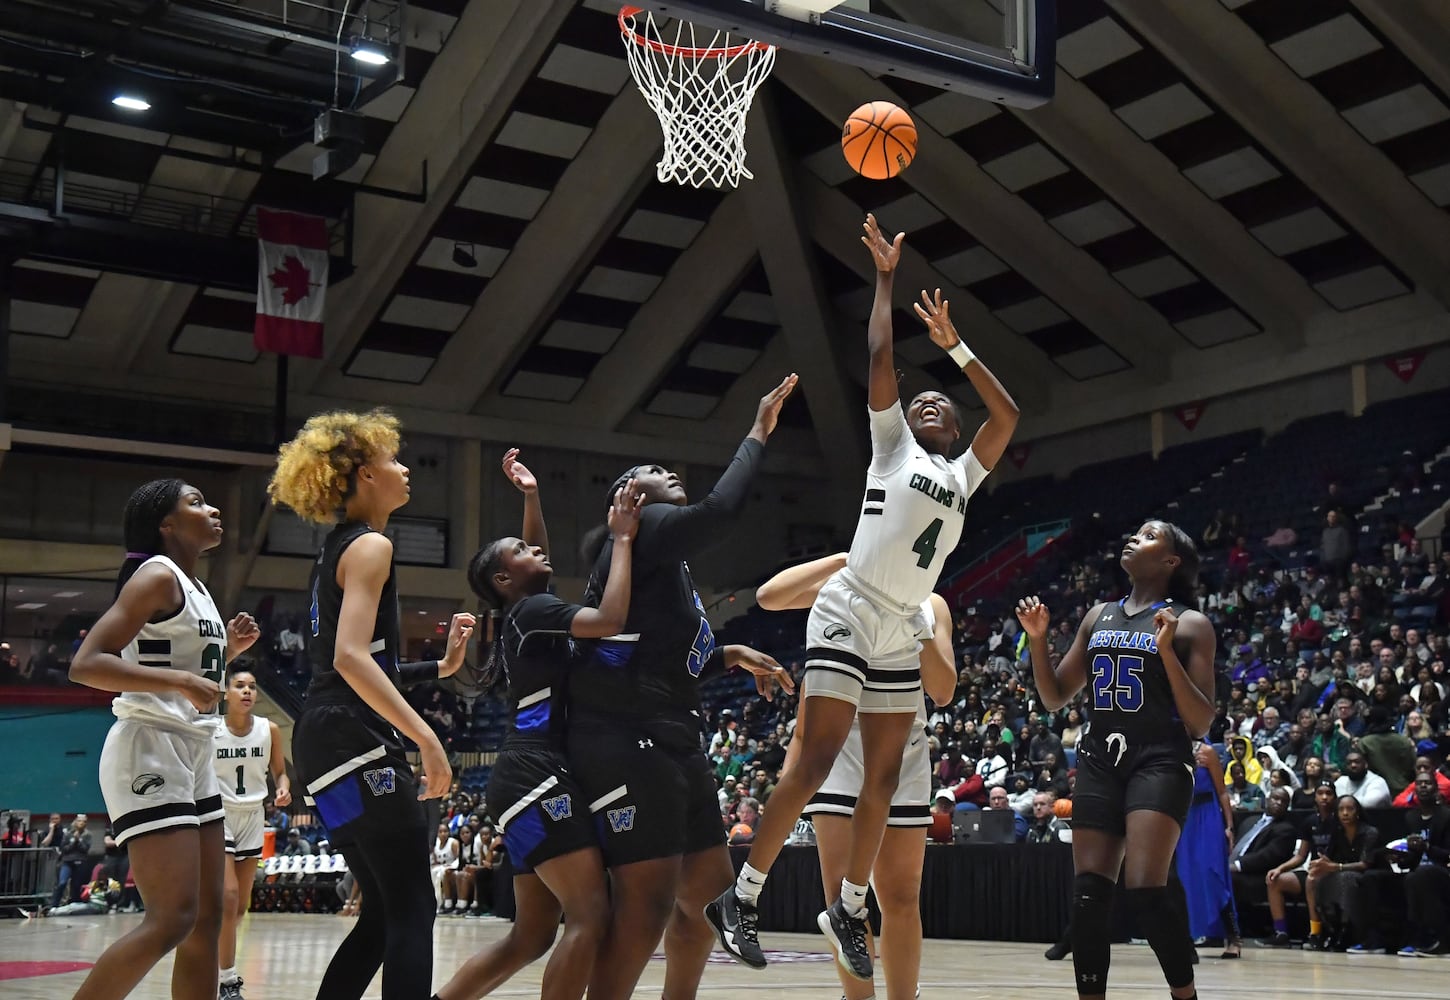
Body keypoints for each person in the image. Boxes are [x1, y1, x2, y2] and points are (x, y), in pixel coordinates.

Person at [710, 213, 1018, 980]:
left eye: (944, 408)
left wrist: (959, 349)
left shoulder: (963, 478)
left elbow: (1007, 415)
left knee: (884, 777)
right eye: (923, 404)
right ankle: (741, 897)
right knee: (816, 758)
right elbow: (880, 354)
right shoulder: (893, 449)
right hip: (849, 606)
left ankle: (848, 907)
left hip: (899, 625)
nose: (931, 407)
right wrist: (885, 279)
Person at [566, 377, 799, 1000]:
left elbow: (660, 654)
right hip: (634, 737)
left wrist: (725, 654)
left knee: (706, 900)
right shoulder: (649, 526)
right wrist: (757, 432)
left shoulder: (657, 559)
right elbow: (722, 512)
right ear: (628, 496)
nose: (670, 475)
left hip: (670, 732)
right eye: (655, 470)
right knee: (647, 906)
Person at [268, 409, 476, 1000]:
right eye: (393, 460)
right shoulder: (372, 547)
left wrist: (439, 667)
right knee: (413, 907)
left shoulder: (338, 546)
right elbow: (351, 659)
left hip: (323, 738)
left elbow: (351, 660)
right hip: (352, 738)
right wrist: (426, 738)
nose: (405, 469)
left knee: (384, 913)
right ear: (363, 473)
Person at [435, 449, 642, 1000]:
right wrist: (622, 540)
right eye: (523, 552)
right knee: (590, 916)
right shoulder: (533, 613)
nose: (537, 551)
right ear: (506, 577)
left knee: (530, 937)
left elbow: (535, 560)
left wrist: (532, 497)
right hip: (536, 775)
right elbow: (611, 619)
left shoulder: (527, 612)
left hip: (525, 776)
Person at [68, 478, 261, 1000]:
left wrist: (229, 654)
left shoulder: (195, 587)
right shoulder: (156, 574)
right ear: (166, 525)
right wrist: (178, 680)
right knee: (172, 917)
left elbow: (178, 673)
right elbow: (86, 665)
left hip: (194, 750)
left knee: (206, 918)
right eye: (196, 502)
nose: (214, 507)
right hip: (149, 746)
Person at [1016, 520, 1215, 1000]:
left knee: (1147, 891)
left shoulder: (1190, 624)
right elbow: (1055, 695)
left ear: (1171, 561)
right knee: (1087, 896)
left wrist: (1166, 653)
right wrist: (1039, 641)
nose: (1134, 538)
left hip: (1160, 760)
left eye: (1149, 537)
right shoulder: (1097, 615)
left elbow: (1201, 721)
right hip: (1100, 760)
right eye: (1136, 533)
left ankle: (1185, 995)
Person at [753, 551, 956, 1000]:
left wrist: (913, 623)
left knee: (902, 896)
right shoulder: (844, 585)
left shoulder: (932, 603)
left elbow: (942, 689)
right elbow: (769, 596)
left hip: (905, 746)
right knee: (844, 900)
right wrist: (852, 557)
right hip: (842, 747)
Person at [212, 664, 291, 999]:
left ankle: (218, 965)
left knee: (240, 906)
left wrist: (283, 789)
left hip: (254, 818)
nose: (247, 692)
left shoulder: (269, 729)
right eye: (240, 686)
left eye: (252, 687)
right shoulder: (210, 729)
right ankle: (227, 981)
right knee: (228, 898)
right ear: (226, 693)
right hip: (220, 816)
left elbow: (281, 773)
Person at [1175, 741, 1240, 958]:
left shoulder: (1207, 752)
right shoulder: (1171, 749)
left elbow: (1222, 791)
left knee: (1213, 873)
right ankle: (1189, 939)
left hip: (1207, 814)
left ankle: (1233, 938)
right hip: (1184, 818)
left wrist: (1229, 826)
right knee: (1186, 878)